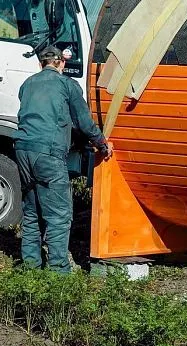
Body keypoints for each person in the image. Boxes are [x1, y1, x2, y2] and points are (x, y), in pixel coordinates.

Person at [15, 45, 112, 273]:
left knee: (32, 211)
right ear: (62, 63)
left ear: (40, 64)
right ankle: (58, 274)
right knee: (59, 215)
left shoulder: (27, 84)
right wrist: (102, 144)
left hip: (22, 149)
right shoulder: (67, 85)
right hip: (48, 153)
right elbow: (84, 122)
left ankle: (30, 267)